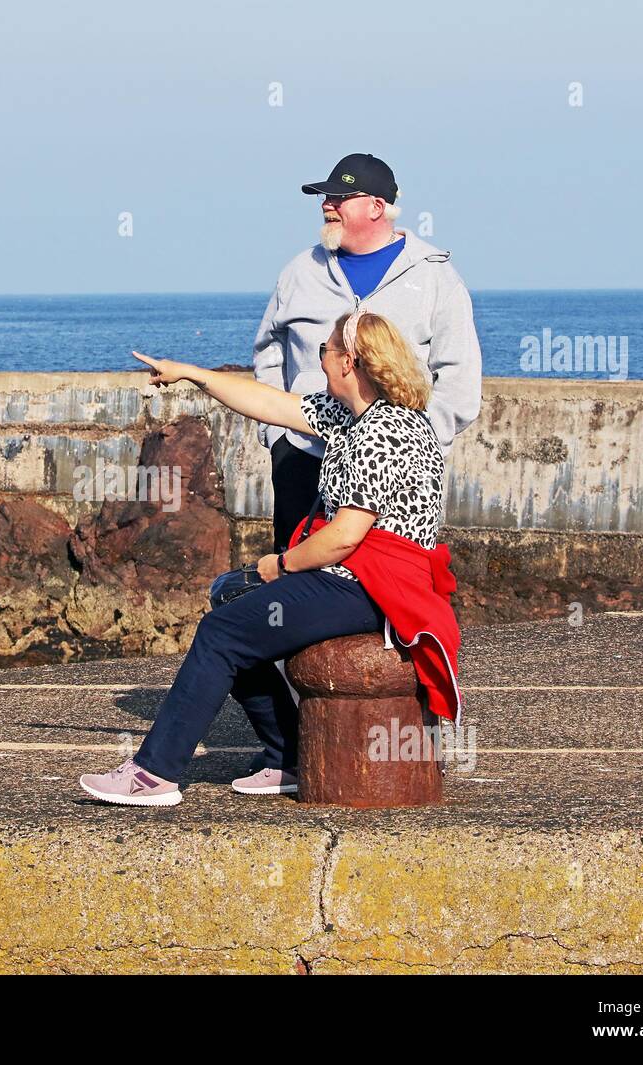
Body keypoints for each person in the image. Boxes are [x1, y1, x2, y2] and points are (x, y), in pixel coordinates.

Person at [78, 309, 449, 807]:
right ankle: (289, 755)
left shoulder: (381, 432)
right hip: (357, 574)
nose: (322, 360)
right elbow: (271, 404)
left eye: (327, 351)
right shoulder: (356, 417)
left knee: (222, 632)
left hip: (371, 583)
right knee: (228, 599)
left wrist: (281, 564)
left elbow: (344, 536)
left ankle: (154, 773)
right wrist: (192, 373)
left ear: (351, 362)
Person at [255, 152, 481, 552]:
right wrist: (279, 437)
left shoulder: (434, 276)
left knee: (378, 585)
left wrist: (419, 441)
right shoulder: (299, 272)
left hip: (393, 468)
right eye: (324, 197)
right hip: (304, 456)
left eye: (340, 197)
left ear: (377, 206)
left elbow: (459, 374)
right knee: (293, 583)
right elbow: (269, 351)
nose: (327, 204)